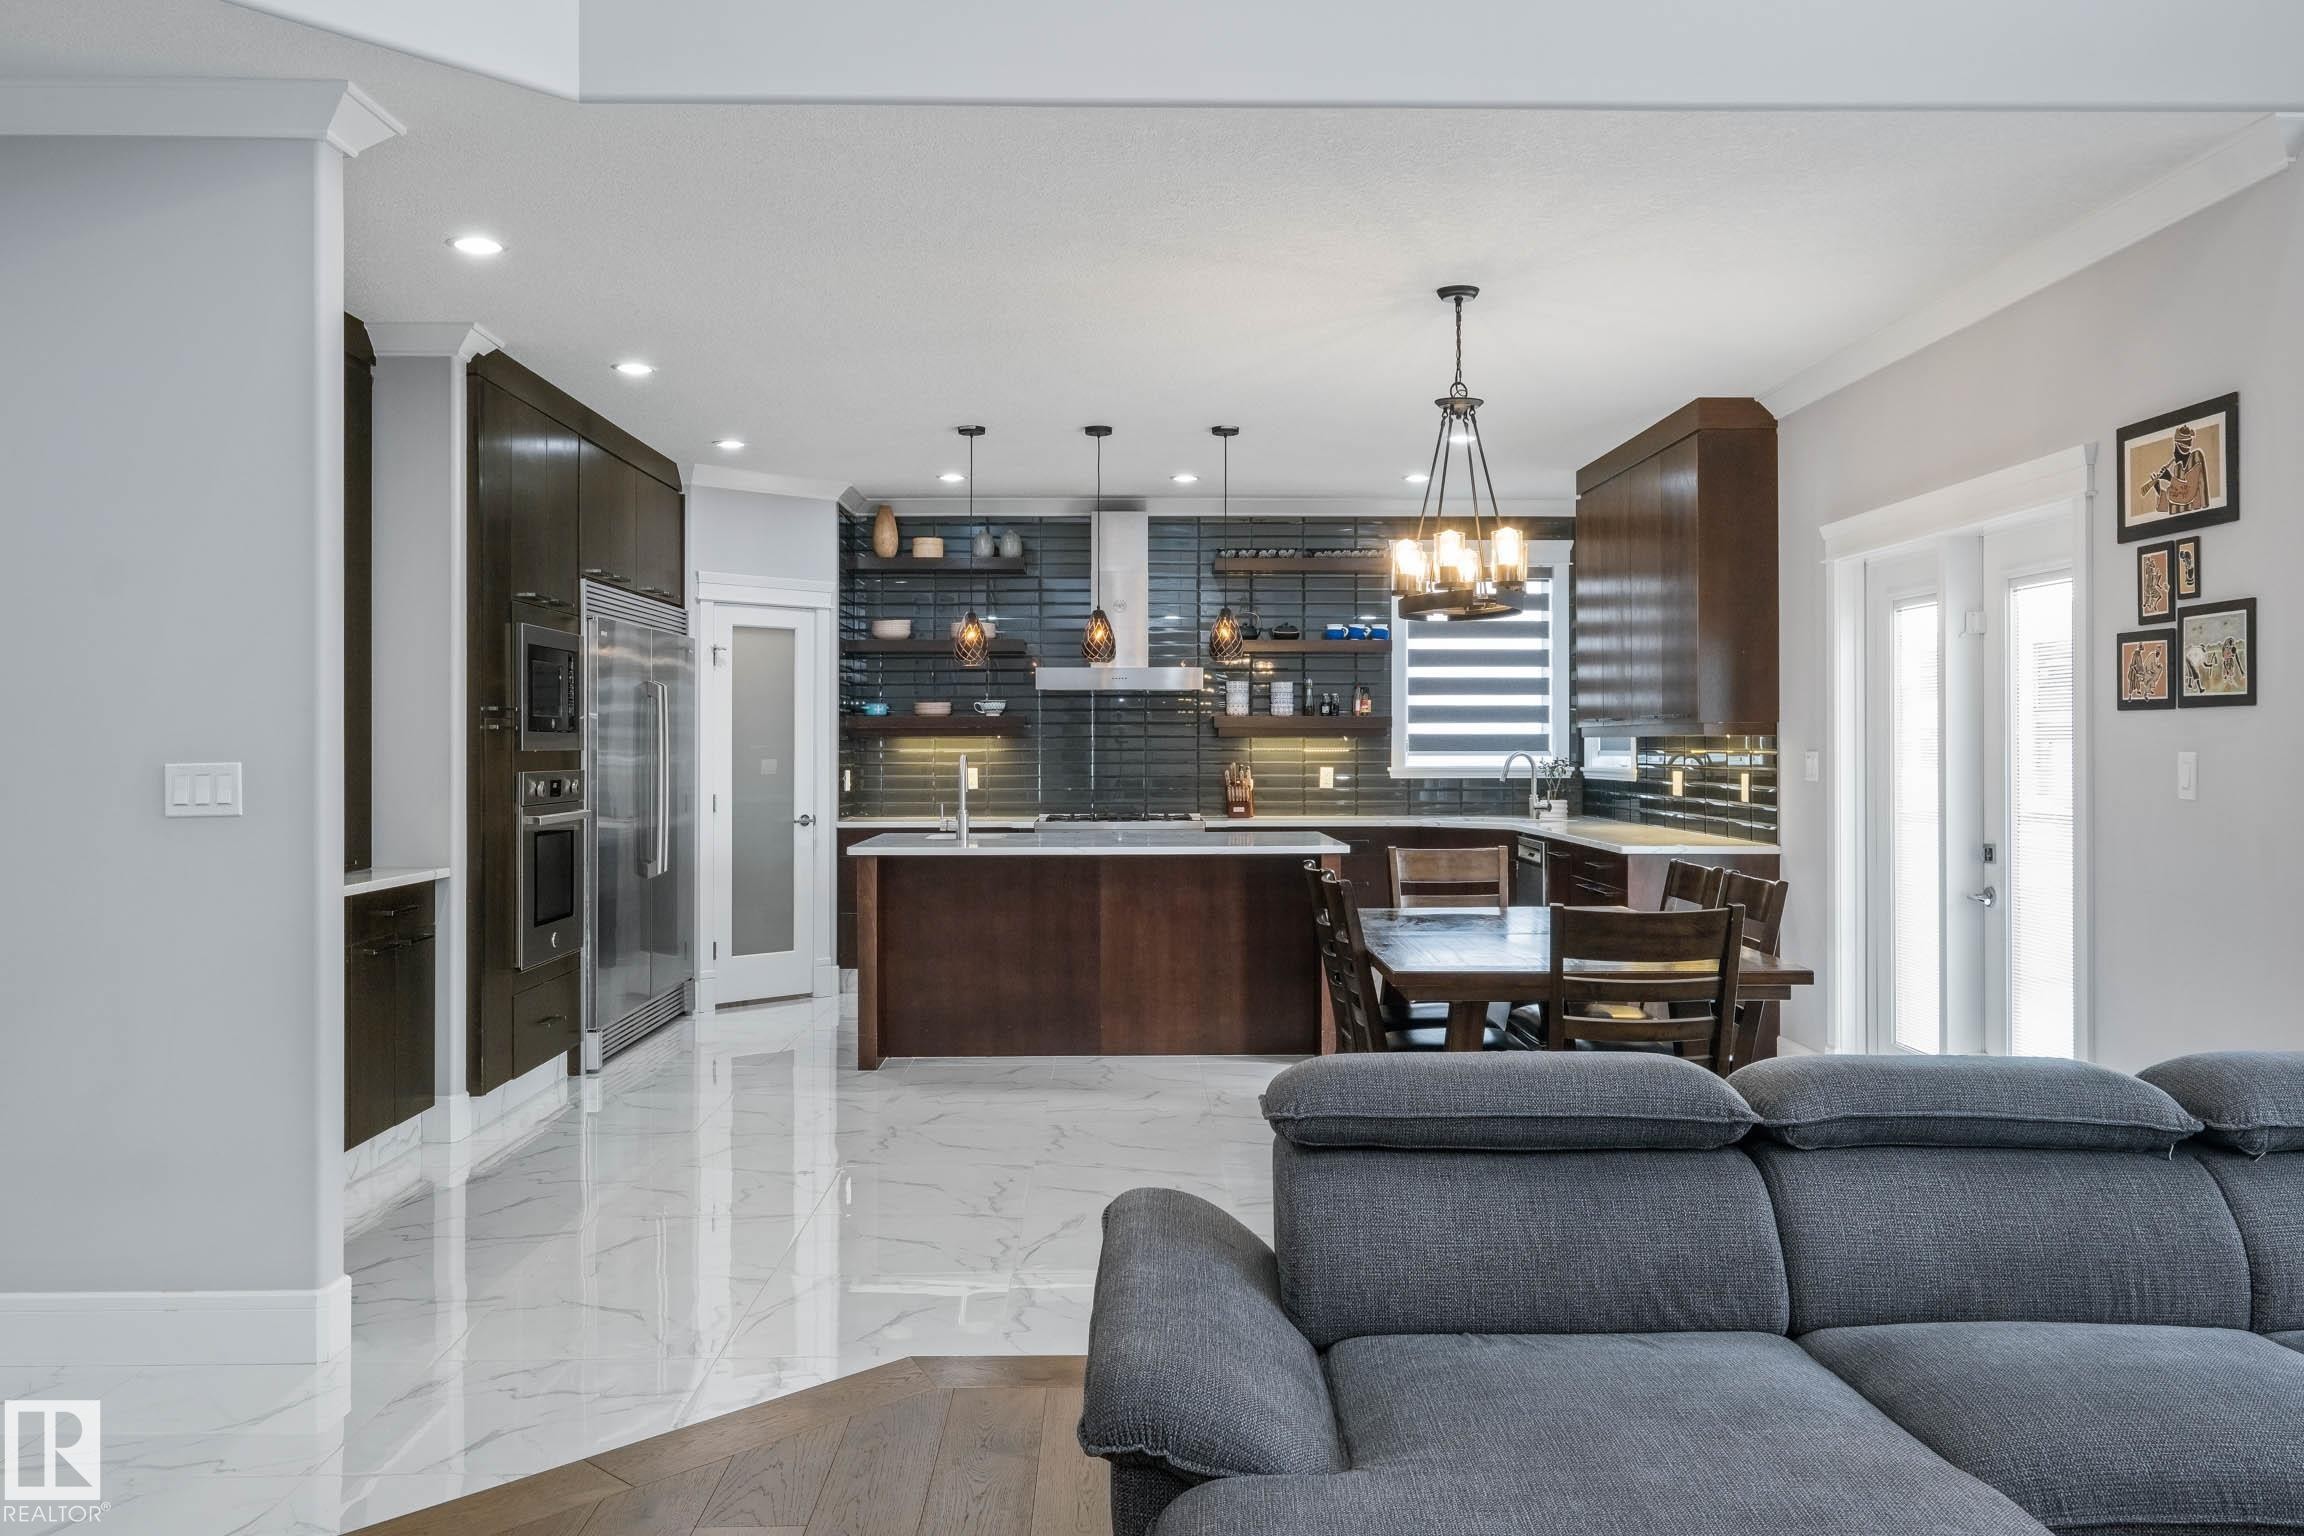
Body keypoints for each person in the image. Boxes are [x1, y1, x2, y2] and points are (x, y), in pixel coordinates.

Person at [2141, 423, 2212, 515]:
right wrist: (2158, 488)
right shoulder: (2177, 468)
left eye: (2175, 449)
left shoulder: (2195, 458)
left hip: (2196, 515)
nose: (2174, 453)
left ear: (2180, 448)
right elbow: (2174, 499)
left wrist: (2169, 478)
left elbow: (2188, 495)